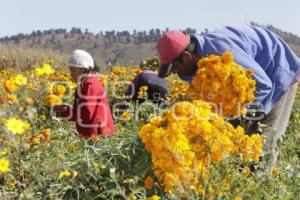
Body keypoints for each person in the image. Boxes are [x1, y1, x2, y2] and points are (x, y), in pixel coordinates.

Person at [156, 26, 300, 169]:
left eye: (174, 68)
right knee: (240, 144)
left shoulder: (222, 50)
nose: (175, 73)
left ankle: (263, 184)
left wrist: (235, 114)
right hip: (255, 85)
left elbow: (264, 86)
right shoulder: (197, 62)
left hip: (278, 73)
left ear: (186, 57)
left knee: (264, 146)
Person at [53, 50, 115, 140]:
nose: (71, 74)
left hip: (100, 136)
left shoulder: (90, 85)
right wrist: (63, 109)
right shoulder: (81, 86)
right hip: (91, 135)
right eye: (70, 70)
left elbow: (86, 114)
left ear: (84, 69)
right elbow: (78, 111)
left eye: (74, 70)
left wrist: (62, 112)